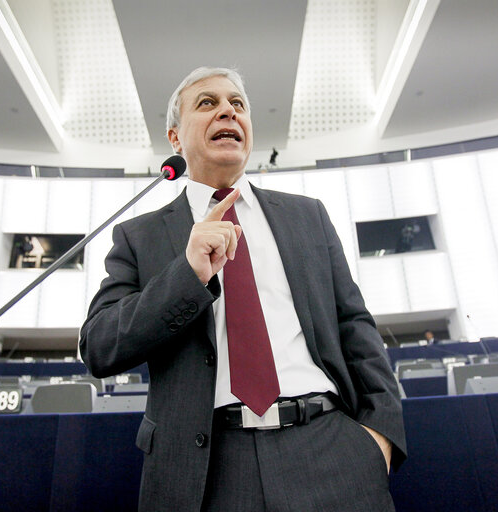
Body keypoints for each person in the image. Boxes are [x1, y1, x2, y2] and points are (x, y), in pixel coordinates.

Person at [79, 67, 406, 511]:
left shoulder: (307, 217)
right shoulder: (139, 237)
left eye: (238, 105)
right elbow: (99, 346)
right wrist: (187, 275)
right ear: (175, 138)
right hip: (206, 473)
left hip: (331, 452)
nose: (227, 112)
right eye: (207, 103)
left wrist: (378, 440)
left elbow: (355, 328)